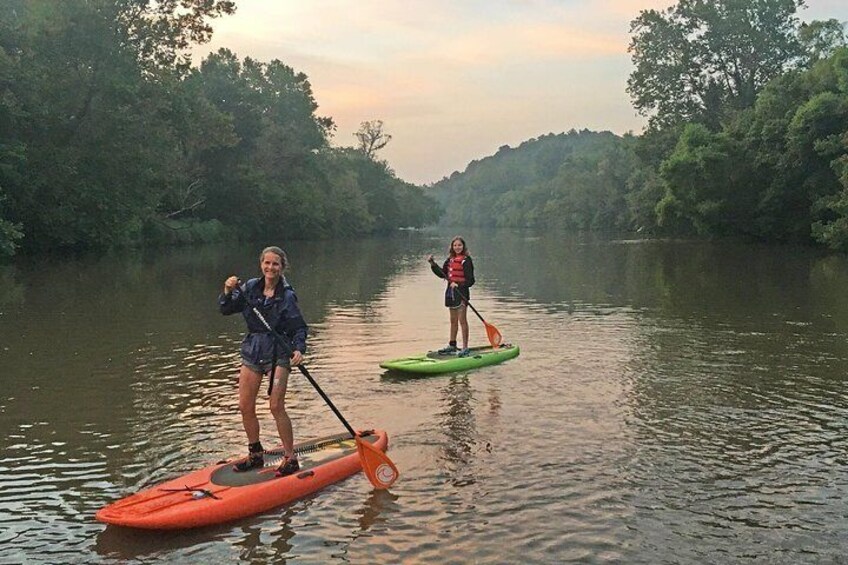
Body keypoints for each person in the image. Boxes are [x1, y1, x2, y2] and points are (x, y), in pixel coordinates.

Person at [219, 246, 308, 477]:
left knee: (275, 406)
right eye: (267, 263)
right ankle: (255, 454)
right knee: (245, 406)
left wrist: (298, 349)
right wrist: (227, 290)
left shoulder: (287, 295)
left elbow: (299, 327)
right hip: (253, 350)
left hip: (278, 352)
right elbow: (226, 309)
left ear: (282, 267)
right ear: (261, 264)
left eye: (275, 264)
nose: (270, 268)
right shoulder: (249, 288)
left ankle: (290, 458)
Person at [427, 236, 475, 357]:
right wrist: (433, 264)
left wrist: (458, 284)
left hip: (462, 294)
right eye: (455, 245)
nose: (457, 247)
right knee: (453, 321)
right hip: (451, 294)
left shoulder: (466, 260)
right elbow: (442, 274)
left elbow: (471, 281)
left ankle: (465, 347)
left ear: (463, 246)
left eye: (459, 245)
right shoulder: (450, 260)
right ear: (452, 247)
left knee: (462, 321)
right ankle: (452, 345)